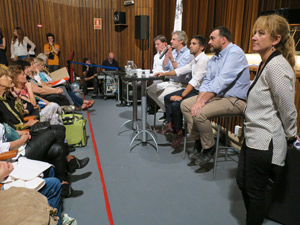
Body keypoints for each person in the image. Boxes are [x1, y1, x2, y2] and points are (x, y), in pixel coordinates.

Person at [236, 14, 297, 225]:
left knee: (255, 193)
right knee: (242, 183)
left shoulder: (277, 67)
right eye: (254, 32)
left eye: (261, 33)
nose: (254, 37)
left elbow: (288, 108)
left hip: (265, 142)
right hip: (253, 137)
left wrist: (291, 136)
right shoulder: (264, 63)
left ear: (276, 39)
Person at [181, 26, 250, 163]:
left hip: (235, 99)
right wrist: (199, 100)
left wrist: (202, 102)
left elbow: (222, 81)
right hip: (219, 96)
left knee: (200, 112)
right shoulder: (215, 57)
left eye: (212, 38)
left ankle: (209, 147)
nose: (210, 42)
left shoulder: (235, 53)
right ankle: (199, 141)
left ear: (223, 39)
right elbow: (207, 82)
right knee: (186, 105)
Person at [155, 35, 209, 147]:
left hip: (200, 92)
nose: (190, 46)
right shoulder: (195, 60)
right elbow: (180, 70)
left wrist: (182, 96)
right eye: (191, 43)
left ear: (202, 47)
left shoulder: (203, 60)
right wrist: (164, 74)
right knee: (167, 98)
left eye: (194, 44)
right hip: (193, 89)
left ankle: (179, 132)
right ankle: (172, 126)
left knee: (176, 104)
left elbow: (195, 81)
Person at [147, 30, 193, 121]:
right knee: (151, 90)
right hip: (172, 82)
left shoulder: (188, 53)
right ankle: (168, 112)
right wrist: (167, 55)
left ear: (181, 41)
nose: (171, 41)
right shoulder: (174, 52)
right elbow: (165, 66)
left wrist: (171, 58)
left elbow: (180, 70)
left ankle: (171, 117)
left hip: (182, 84)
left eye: (173, 39)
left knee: (165, 97)